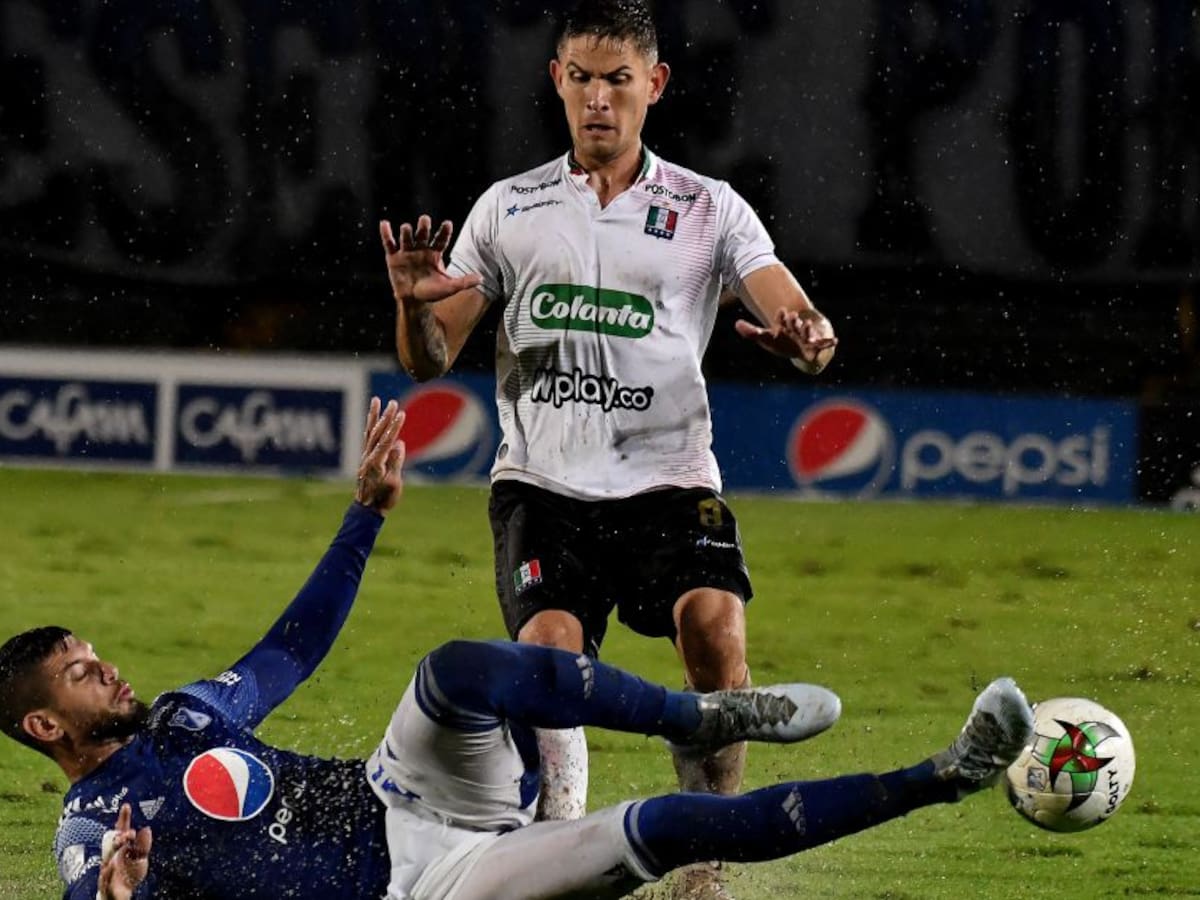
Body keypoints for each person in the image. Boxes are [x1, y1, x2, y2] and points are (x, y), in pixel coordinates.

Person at [0, 397, 1037, 900]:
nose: (112, 669)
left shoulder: (189, 713)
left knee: (454, 669)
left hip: (400, 793)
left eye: (98, 654)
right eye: (85, 674)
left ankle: (702, 713)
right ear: (46, 725)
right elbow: (95, 898)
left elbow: (292, 648)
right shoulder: (92, 825)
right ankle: (944, 776)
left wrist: (365, 516)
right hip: (431, 890)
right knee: (675, 823)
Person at [380, 4, 837, 893]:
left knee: (714, 632)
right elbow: (429, 359)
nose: (598, 99)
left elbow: (794, 309)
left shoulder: (709, 208)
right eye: (581, 78)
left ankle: (701, 863)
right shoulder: (508, 209)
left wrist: (808, 336)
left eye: (617, 79)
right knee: (553, 663)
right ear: (557, 80)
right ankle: (557, 853)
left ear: (654, 86)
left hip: (667, 479)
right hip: (544, 487)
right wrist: (411, 304)